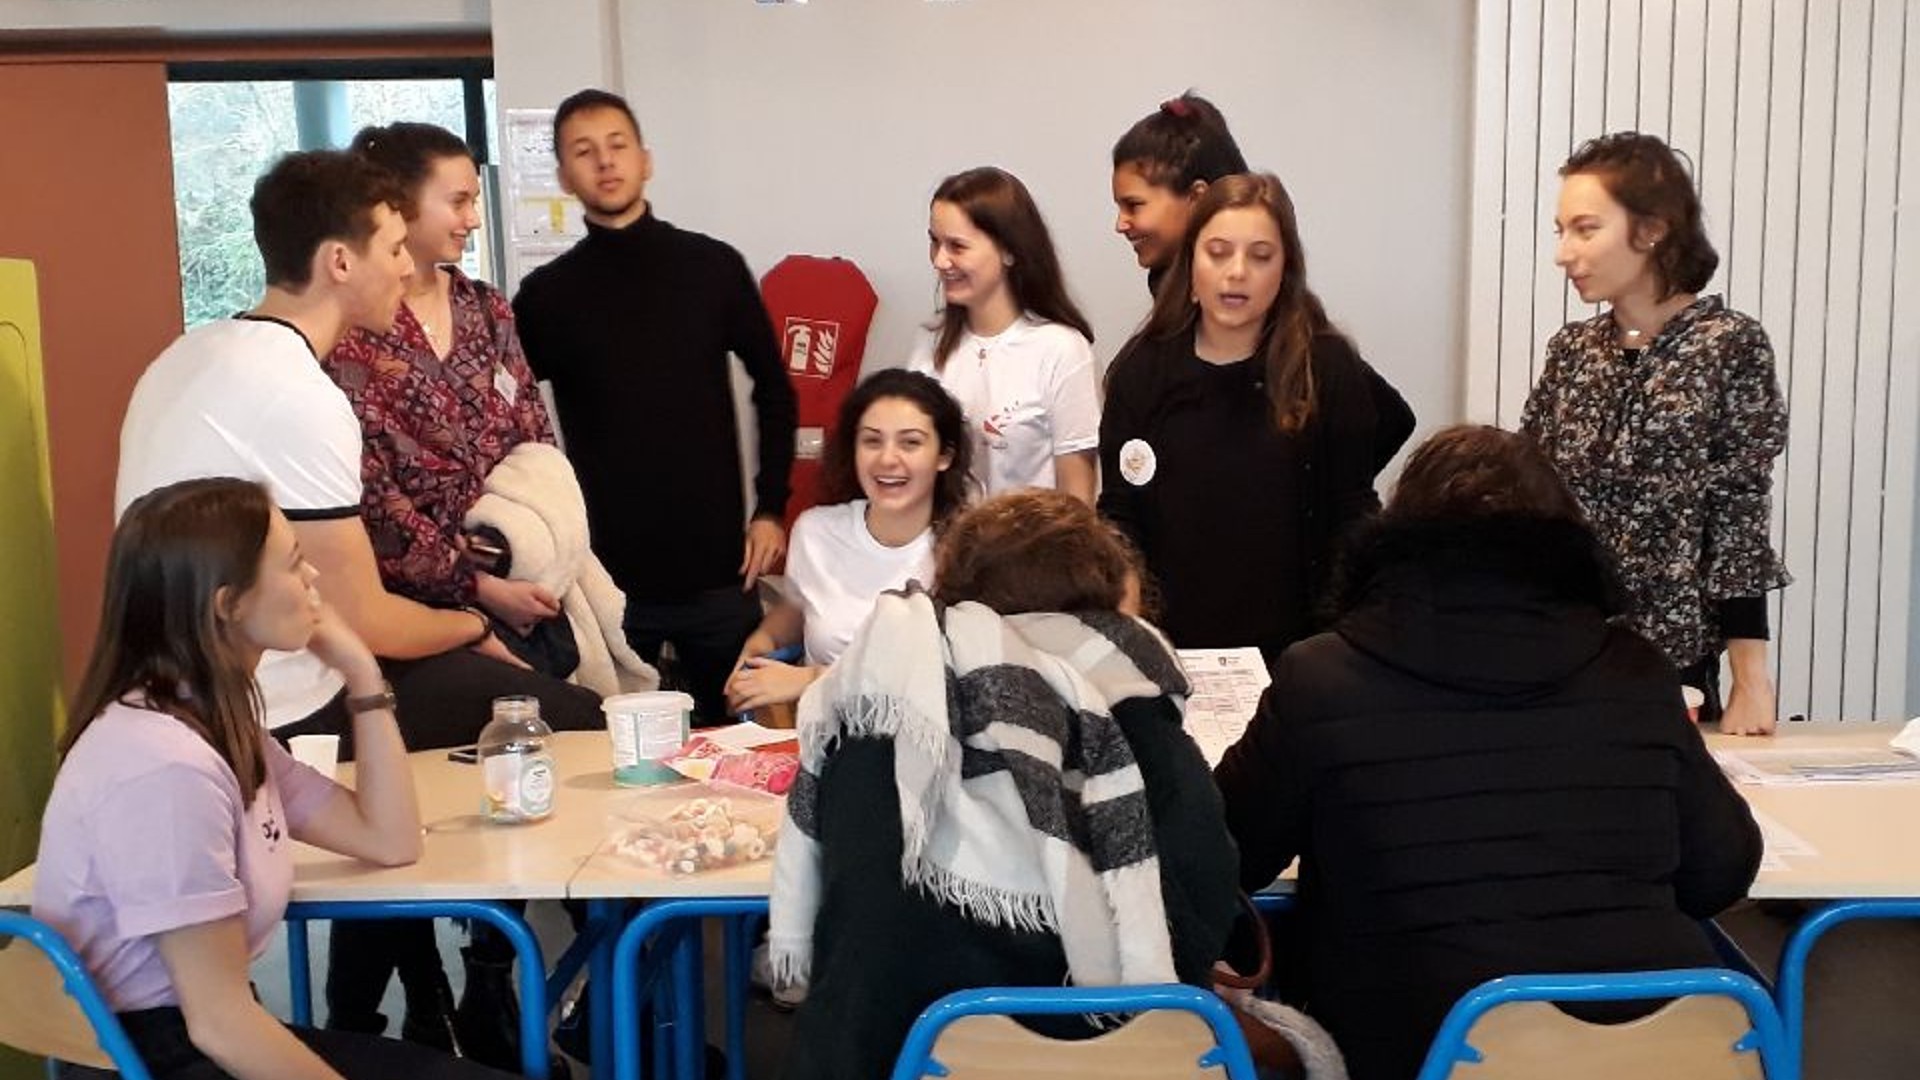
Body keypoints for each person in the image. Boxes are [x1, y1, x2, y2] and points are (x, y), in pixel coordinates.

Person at [114, 148, 599, 1057]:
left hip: (180, 689)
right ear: (339, 261)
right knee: (569, 721)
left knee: (471, 710)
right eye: (391, 248)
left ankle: (417, 1005)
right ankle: (587, 1003)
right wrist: (477, 623)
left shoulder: (190, 356)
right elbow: (363, 621)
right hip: (273, 708)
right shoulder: (299, 391)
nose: (409, 267)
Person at [1213, 425, 1764, 1080]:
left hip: (1423, 1046)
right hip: (1658, 1047)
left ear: (1394, 543)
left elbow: (1225, 858)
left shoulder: (1321, 678)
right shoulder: (1634, 671)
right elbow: (1722, 871)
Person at [34, 477, 514, 1080]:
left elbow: (388, 840)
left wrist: (363, 676)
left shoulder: (212, 723)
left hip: (202, 1039)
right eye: (293, 565)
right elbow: (220, 1025)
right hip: (158, 1058)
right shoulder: (164, 764)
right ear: (228, 603)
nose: (313, 580)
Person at [768, 489, 1241, 1080]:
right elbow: (1205, 909)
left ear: (956, 592)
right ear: (1106, 597)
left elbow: (848, 909)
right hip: (1121, 1062)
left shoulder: (877, 708)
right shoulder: (1139, 706)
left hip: (893, 1057)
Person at [322, 122, 612, 1066]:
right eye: (454, 199)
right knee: (430, 806)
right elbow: (371, 503)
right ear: (397, 210)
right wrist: (477, 583)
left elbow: (533, 443)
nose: (469, 217)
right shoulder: (353, 339)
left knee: (543, 780)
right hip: (404, 608)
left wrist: (538, 564)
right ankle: (384, 1015)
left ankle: (495, 975)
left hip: (529, 583)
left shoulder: (488, 307)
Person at [513, 88, 799, 725]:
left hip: (719, 566)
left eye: (617, 146)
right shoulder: (546, 297)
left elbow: (774, 387)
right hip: (606, 576)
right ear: (563, 176)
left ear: (646, 160)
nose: (605, 163)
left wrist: (772, 507)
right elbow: (509, 430)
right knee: (624, 759)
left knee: (744, 748)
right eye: (584, 153)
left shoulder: (712, 267)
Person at [1522, 132, 1789, 735]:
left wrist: (1752, 679)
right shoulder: (1571, 351)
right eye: (1560, 231)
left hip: (1672, 666)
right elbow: (1530, 496)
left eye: (1585, 229)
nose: (1564, 253)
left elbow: (1737, 515)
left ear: (1652, 229)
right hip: (1557, 650)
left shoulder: (1728, 346)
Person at [1099, 172, 1414, 663]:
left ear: (1285, 268)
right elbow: (1121, 515)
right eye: (1218, 252)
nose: (1237, 272)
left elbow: (1353, 517)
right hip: (1174, 649)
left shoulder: (1325, 366)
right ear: (1190, 263)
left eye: (1260, 256)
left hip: (1297, 652)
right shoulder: (1140, 372)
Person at [723, 369, 971, 715]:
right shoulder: (816, 531)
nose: (887, 458)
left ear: (944, 456)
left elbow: (954, 681)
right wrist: (762, 645)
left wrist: (812, 678)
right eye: (872, 440)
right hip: (819, 739)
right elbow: (797, 610)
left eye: (910, 442)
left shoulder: (971, 549)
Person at [906, 167, 1100, 505]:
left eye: (957, 246)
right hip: (947, 550)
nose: (940, 260)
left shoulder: (1062, 350)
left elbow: (1077, 499)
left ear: (1009, 250)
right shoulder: (930, 344)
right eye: (934, 242)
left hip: (1030, 552)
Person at [1111, 92, 1248, 296]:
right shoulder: (1167, 289)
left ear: (1197, 198)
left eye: (1134, 205)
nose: (1120, 225)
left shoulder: (1254, 308)